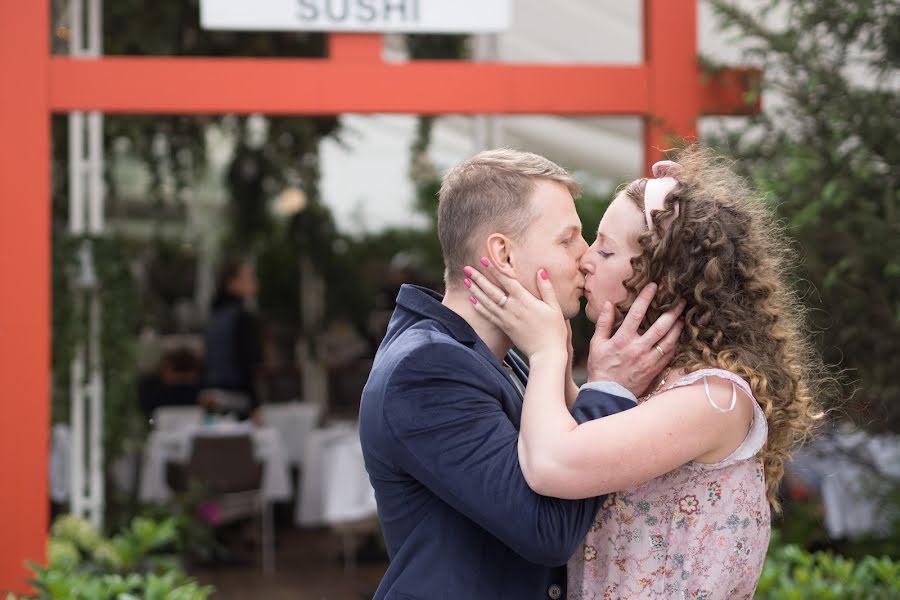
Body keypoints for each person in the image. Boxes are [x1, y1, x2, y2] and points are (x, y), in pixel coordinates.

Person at [465, 146, 825, 599]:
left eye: (606, 249)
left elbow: (552, 464)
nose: (586, 260)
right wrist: (590, 378)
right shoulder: (664, 386)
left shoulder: (713, 400)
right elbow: (590, 441)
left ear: (664, 279)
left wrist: (547, 352)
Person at [359, 149, 684, 600]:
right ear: (503, 255)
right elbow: (545, 531)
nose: (586, 256)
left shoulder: (498, 356)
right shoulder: (426, 370)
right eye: (568, 239)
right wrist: (609, 389)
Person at [201, 258, 261, 422]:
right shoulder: (240, 316)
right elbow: (244, 361)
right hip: (236, 399)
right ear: (232, 283)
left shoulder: (213, 316)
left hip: (210, 395)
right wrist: (255, 405)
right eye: (249, 278)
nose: (255, 282)